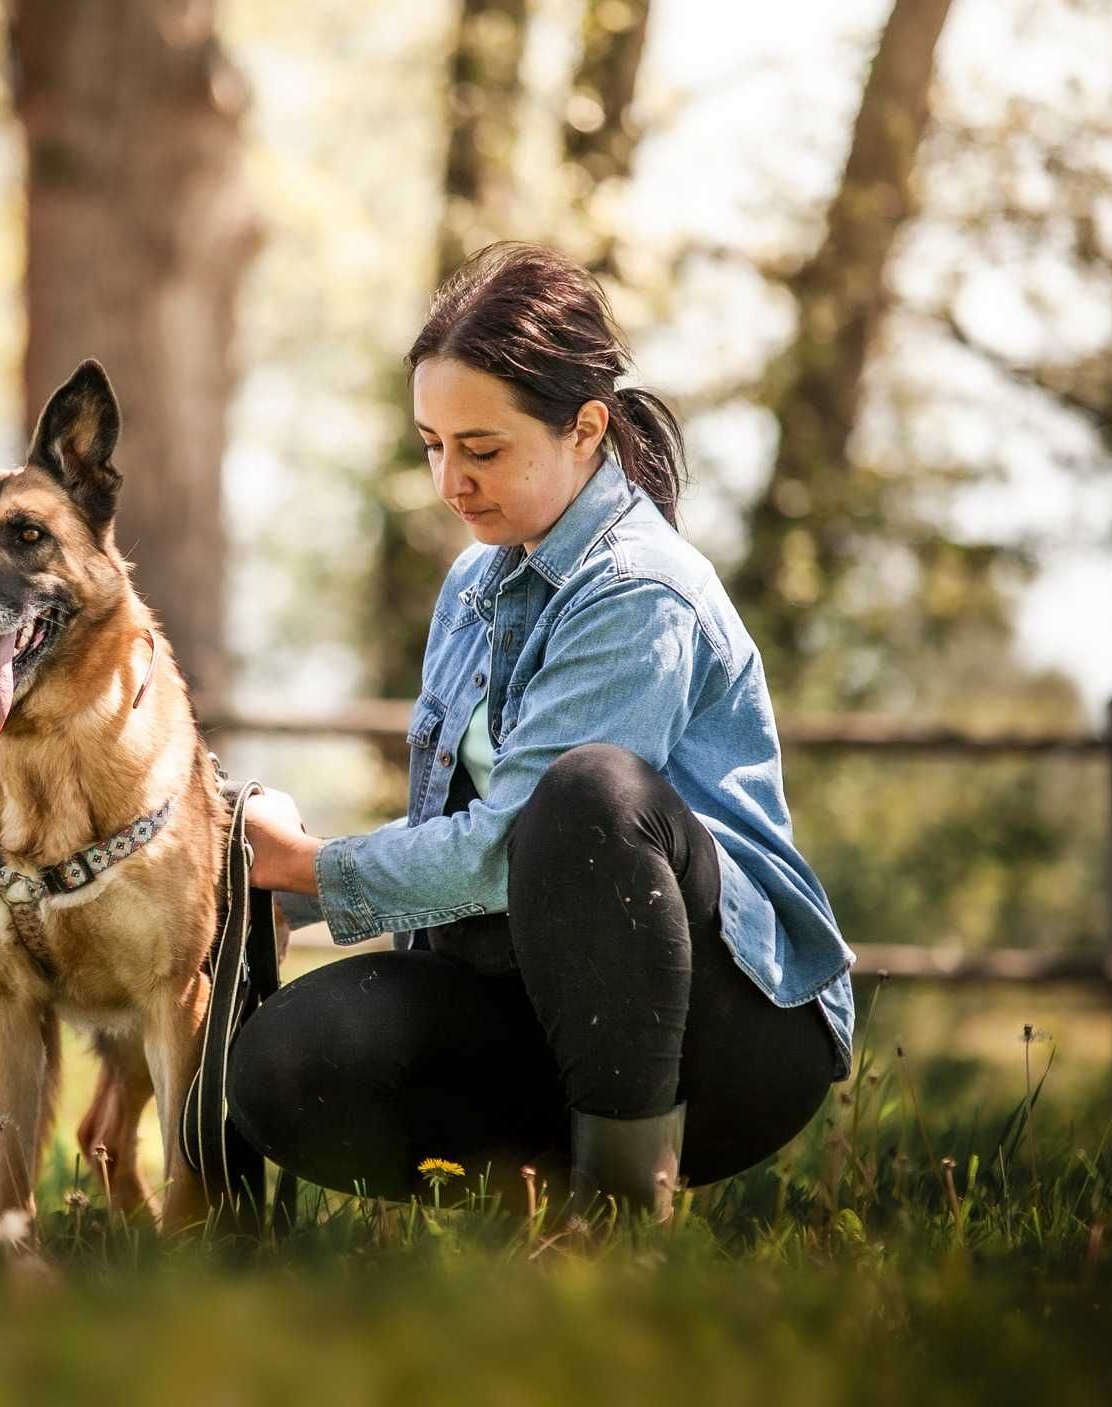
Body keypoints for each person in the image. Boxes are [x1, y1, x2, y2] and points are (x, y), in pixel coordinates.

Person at [230, 242, 857, 1223]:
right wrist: (248, 873)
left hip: (730, 1032)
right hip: (539, 1006)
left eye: (480, 449)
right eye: (430, 443)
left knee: (586, 796)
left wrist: (308, 868)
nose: (448, 481)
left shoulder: (639, 590)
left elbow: (508, 846)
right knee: (283, 1059)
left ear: (584, 429)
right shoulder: (472, 583)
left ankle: (612, 1228)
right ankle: (512, 1219)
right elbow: (457, 857)